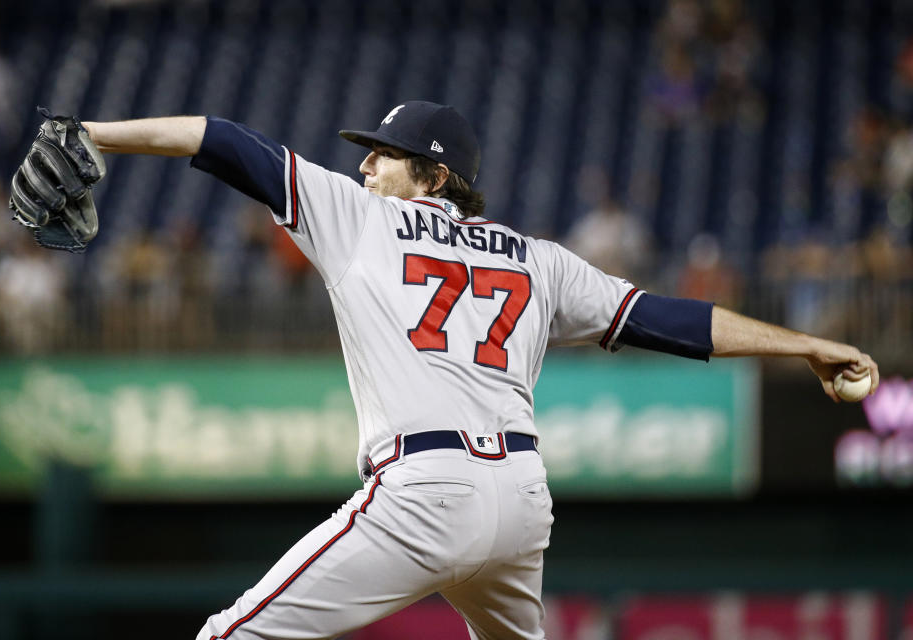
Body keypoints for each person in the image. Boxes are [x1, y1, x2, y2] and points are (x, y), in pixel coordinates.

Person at [79, 101, 878, 640]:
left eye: (385, 159)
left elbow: (223, 142)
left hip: (425, 491)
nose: (364, 171)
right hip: (522, 502)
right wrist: (805, 344)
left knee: (230, 635)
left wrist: (93, 133)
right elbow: (671, 321)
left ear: (434, 178)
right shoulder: (540, 260)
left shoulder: (362, 220)